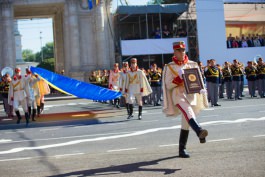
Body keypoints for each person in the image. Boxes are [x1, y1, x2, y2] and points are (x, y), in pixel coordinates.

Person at [162, 41, 208, 158]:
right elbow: (168, 85)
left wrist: (201, 89)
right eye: (179, 50)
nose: (182, 52)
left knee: (185, 122)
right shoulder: (170, 66)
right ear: (174, 51)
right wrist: (178, 78)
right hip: (178, 95)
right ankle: (199, 131)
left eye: (183, 50)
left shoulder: (192, 64)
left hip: (191, 95)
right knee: (188, 112)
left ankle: (182, 150)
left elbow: (198, 79)